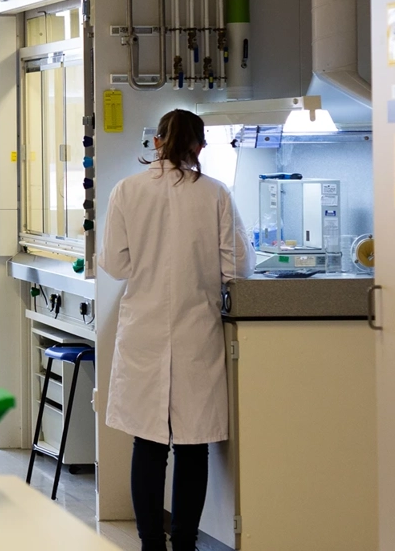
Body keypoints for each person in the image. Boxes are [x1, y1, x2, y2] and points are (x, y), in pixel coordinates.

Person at [100, 109, 251, 551]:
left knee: (147, 444)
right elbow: (236, 265)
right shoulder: (216, 195)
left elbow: (116, 262)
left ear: (158, 142)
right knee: (192, 445)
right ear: (199, 147)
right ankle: (185, 542)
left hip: (143, 332)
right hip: (195, 333)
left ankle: (150, 543)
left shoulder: (126, 191)